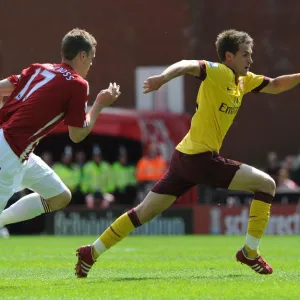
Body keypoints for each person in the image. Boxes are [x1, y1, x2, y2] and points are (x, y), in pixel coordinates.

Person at [75, 29, 300, 278]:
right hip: (201, 159)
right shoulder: (218, 72)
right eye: (245, 54)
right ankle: (249, 252)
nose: (250, 60)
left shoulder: (244, 81)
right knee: (267, 184)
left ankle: (91, 252)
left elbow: (278, 85)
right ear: (228, 56)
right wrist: (162, 77)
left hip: (184, 157)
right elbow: (186, 64)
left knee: (143, 213)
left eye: (250, 54)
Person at [0, 28, 120, 232]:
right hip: (9, 152)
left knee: (60, 196)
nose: (90, 64)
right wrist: (99, 104)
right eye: (91, 59)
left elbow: (2, 87)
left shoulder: (39, 68)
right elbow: (77, 135)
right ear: (82, 55)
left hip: (20, 152)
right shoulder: (78, 84)